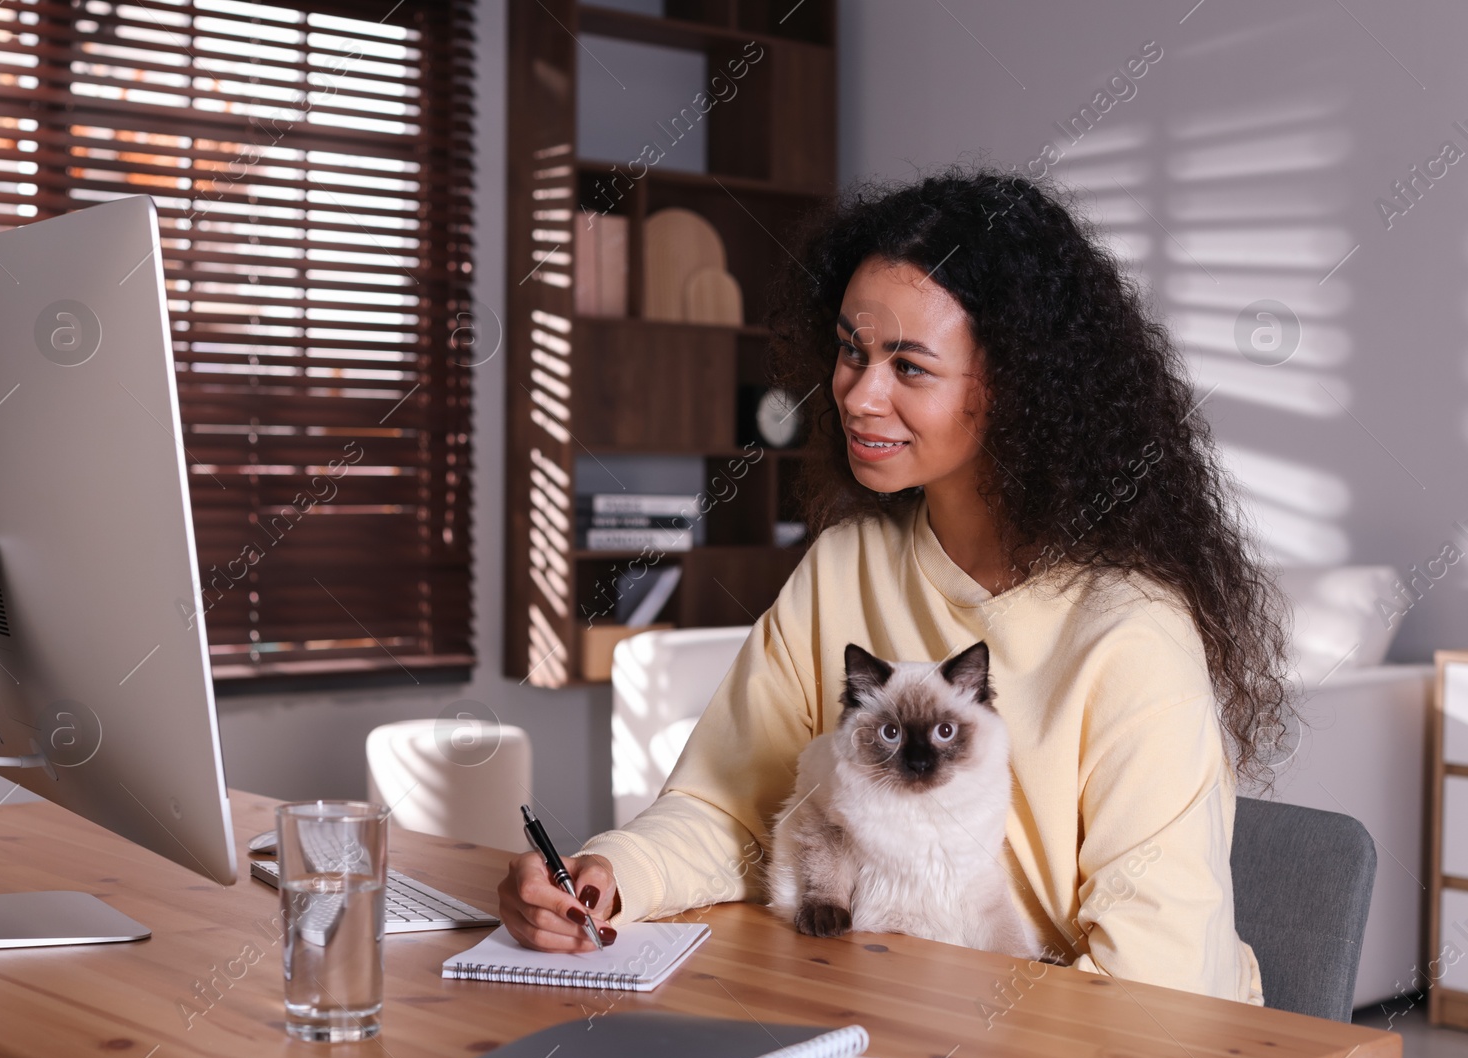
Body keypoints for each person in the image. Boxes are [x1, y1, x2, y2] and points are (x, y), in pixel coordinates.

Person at [495, 166, 1293, 1004]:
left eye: (908, 367)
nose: (857, 394)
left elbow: (1154, 991)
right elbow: (732, 804)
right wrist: (607, 874)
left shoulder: (1132, 634)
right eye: (851, 351)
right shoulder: (843, 565)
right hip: (895, 1014)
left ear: (1018, 389)